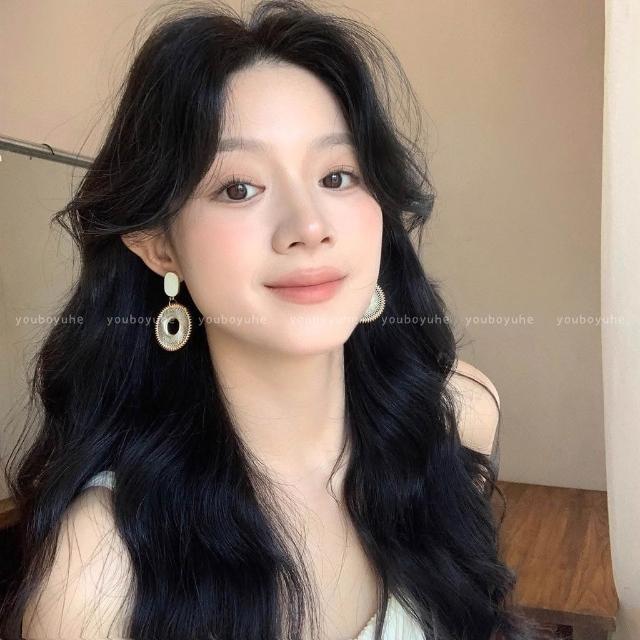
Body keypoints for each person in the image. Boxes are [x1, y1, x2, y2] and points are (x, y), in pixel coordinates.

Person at [0, 1, 552, 639]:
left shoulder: (455, 418)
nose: (309, 226)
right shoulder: (100, 573)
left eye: (338, 175)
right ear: (158, 244)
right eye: (239, 188)